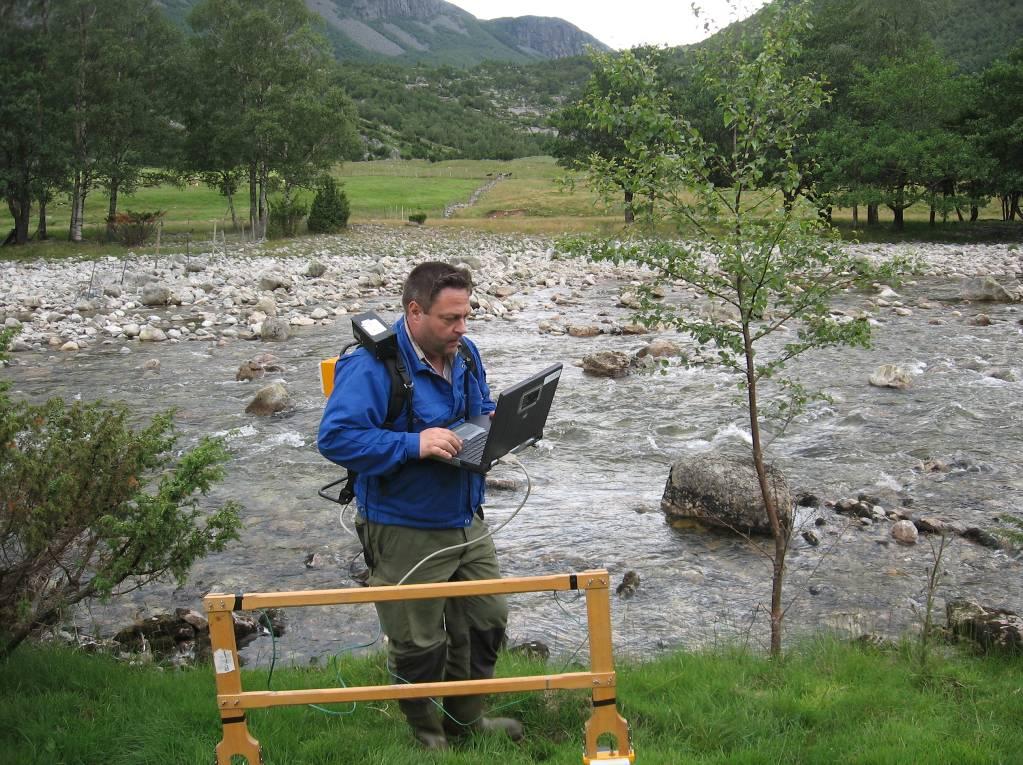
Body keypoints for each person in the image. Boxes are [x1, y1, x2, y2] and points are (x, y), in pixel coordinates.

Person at [317, 261, 523, 750]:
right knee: (419, 643)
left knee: (486, 621)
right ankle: (429, 739)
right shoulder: (371, 367)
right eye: (450, 319)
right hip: (402, 526)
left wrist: (497, 423)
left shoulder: (466, 353)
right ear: (414, 311)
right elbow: (337, 438)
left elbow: (480, 403)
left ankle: (466, 722)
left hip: (467, 518)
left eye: (466, 315)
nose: (462, 328)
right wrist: (414, 443)